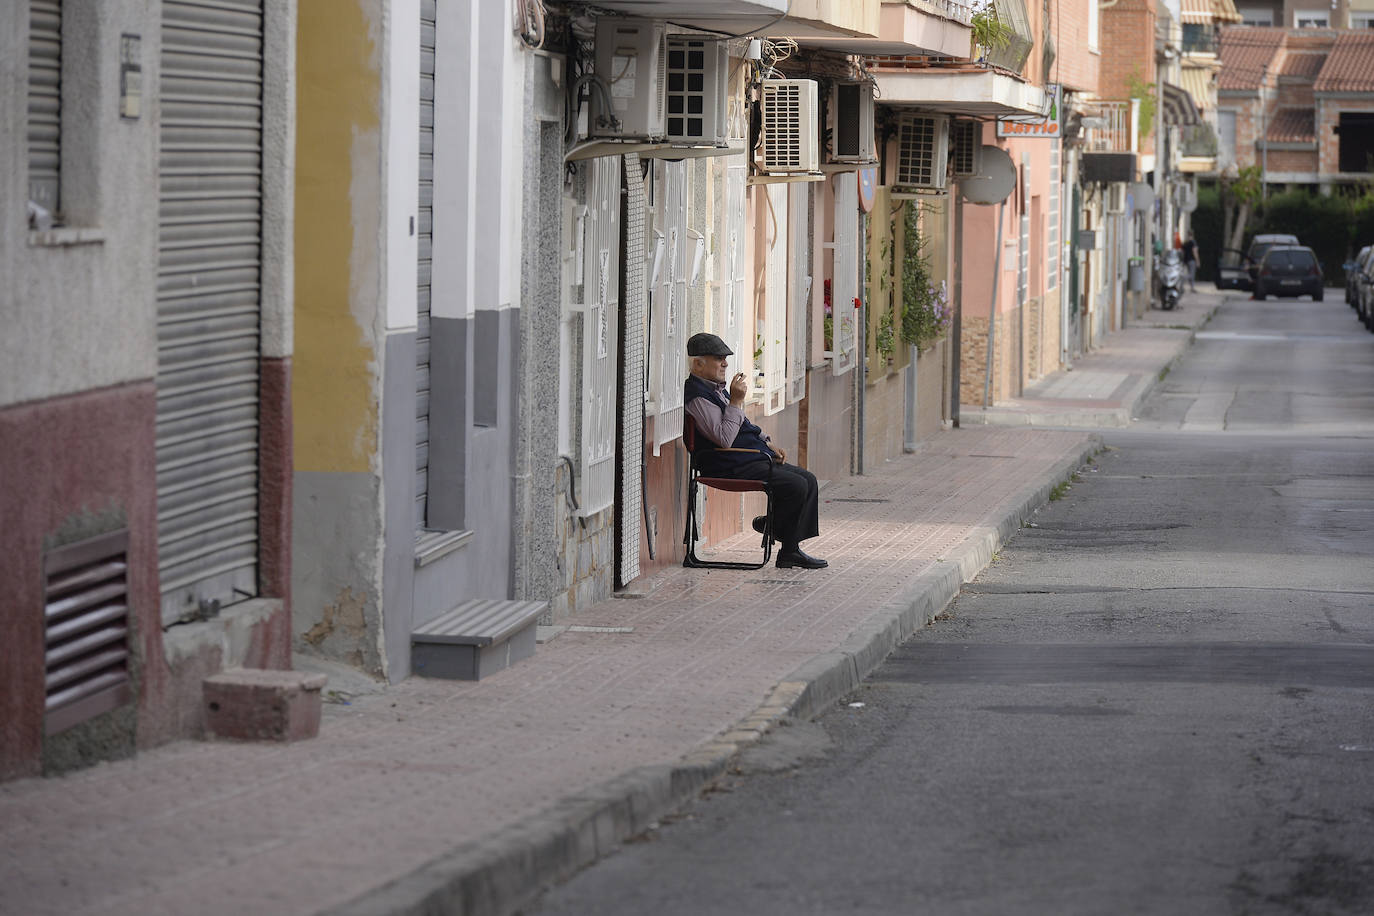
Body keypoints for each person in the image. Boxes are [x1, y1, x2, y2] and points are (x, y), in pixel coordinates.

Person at [683, 332, 826, 570]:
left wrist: (767, 443)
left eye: (725, 358)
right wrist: (736, 401)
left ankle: (781, 537)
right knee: (796, 486)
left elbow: (745, 425)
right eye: (719, 358)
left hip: (747, 458)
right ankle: (783, 540)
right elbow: (725, 439)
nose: (725, 363)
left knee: (808, 480)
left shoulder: (717, 389)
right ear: (698, 363)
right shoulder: (697, 397)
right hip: (726, 464)